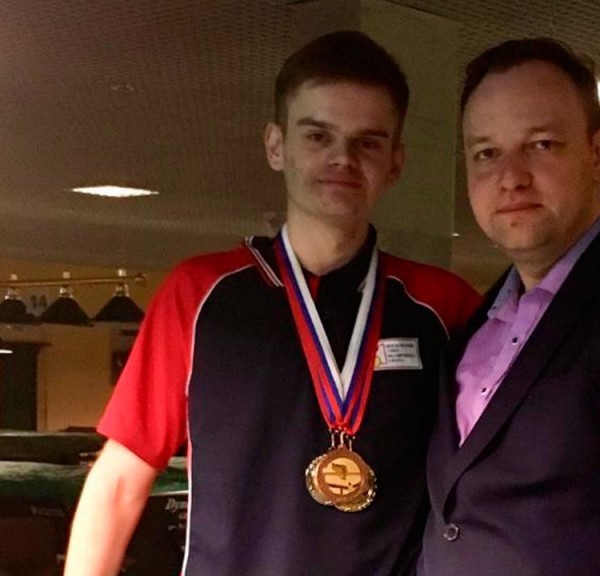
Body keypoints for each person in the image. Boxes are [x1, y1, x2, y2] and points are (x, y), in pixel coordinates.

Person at [63, 30, 481, 576]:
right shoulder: (200, 294)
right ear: (276, 145)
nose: (342, 158)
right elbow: (120, 479)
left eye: (368, 142)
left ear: (396, 162)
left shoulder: (443, 305)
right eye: (318, 135)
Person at [420, 38, 600, 576]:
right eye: (486, 152)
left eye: (541, 144)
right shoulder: (477, 325)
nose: (511, 176)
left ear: (599, 153)